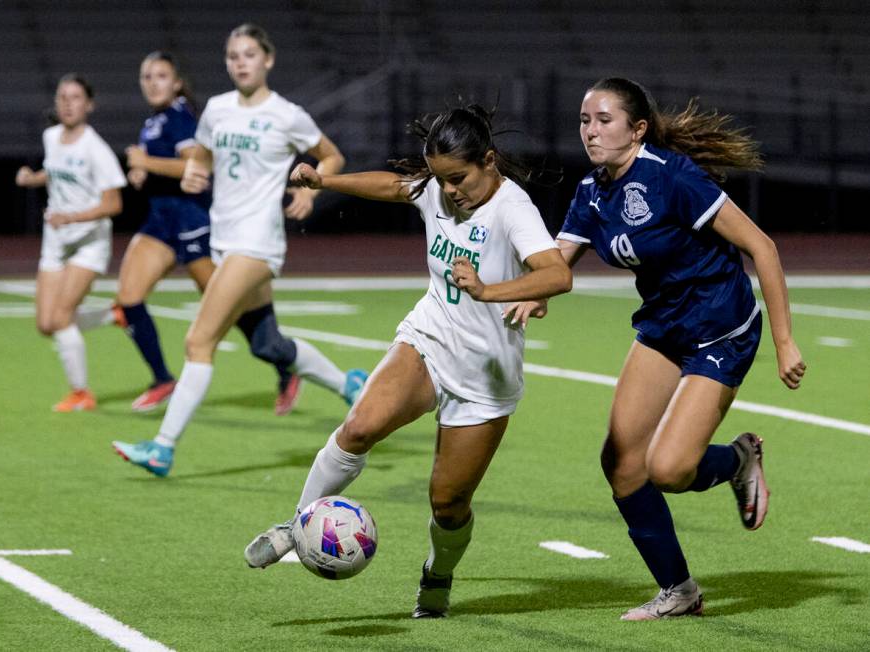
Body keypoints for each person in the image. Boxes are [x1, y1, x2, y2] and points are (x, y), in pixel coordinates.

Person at [243, 104, 573, 619]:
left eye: (458, 178)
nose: (449, 191)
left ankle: (438, 575)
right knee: (358, 427)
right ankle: (297, 524)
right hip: (429, 338)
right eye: (440, 179)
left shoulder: (513, 208)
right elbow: (397, 187)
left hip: (484, 377)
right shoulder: (436, 188)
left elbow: (557, 274)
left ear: (488, 160)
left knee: (448, 503)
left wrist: (490, 290)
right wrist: (325, 180)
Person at [548, 78, 806, 620]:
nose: (590, 132)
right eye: (583, 121)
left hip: (721, 329)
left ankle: (738, 459)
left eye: (603, 120)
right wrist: (517, 294)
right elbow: (553, 264)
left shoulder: (672, 177)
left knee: (667, 469)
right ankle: (680, 592)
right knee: (620, 463)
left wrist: (785, 342)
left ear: (637, 129)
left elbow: (762, 246)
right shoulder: (592, 191)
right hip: (665, 327)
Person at [112, 24, 366, 476]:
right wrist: (193, 175)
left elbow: (331, 156)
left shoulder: (287, 114)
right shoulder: (216, 110)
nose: (240, 62)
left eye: (249, 54)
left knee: (198, 340)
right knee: (267, 342)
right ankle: (347, 383)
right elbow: (203, 161)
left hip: (258, 242)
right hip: (224, 239)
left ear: (267, 60)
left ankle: (163, 448)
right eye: (233, 55)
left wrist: (312, 188)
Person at [117, 50, 318, 415]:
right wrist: (142, 172)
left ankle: (283, 366)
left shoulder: (179, 117)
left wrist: (145, 163)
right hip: (161, 222)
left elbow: (194, 166)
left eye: (161, 76)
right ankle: (162, 378)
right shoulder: (154, 122)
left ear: (177, 82)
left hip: (193, 221)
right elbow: (166, 166)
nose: (152, 83)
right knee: (129, 299)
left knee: (230, 308)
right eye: (147, 77)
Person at [15, 74, 126, 412]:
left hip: (89, 242)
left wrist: (72, 218)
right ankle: (112, 314)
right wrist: (32, 178)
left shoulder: (96, 149)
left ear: (88, 104)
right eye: (62, 97)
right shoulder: (51, 137)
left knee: (62, 316)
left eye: (75, 97)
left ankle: (81, 394)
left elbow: (113, 204)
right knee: (46, 324)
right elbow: (56, 170)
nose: (67, 103)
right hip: (56, 241)